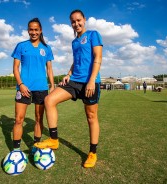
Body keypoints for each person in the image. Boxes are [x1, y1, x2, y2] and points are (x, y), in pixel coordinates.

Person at [34, 9, 103, 168]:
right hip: (74, 81)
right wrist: (69, 73)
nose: (76, 23)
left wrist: (92, 80)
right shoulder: (74, 42)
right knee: (49, 100)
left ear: (84, 20)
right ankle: (53, 139)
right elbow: (76, 60)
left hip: (90, 82)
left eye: (78, 20)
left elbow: (98, 57)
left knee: (91, 117)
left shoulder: (93, 35)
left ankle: (92, 153)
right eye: (73, 21)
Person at [11, 18, 55, 154]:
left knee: (38, 119)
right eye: (31, 29)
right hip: (24, 88)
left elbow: (49, 69)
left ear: (40, 30)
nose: (33, 32)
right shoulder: (21, 46)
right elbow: (15, 68)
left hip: (41, 88)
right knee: (19, 119)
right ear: (28, 30)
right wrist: (21, 84)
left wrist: (52, 85)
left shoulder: (46, 48)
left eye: (36, 29)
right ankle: (16, 150)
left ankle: (36, 146)